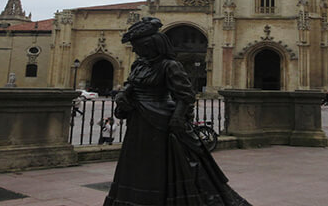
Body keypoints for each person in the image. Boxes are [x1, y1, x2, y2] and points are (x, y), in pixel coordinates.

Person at [104, 17, 251, 205]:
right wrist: (122, 95)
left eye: (137, 45)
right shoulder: (139, 65)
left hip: (161, 121)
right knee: (138, 163)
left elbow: (186, 95)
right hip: (139, 120)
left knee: (161, 164)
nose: (134, 49)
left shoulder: (169, 66)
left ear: (150, 45)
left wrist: (177, 118)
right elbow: (130, 86)